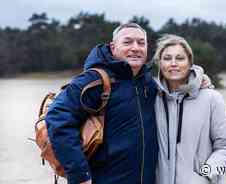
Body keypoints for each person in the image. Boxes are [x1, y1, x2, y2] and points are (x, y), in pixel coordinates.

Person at [45, 23, 158, 184]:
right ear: (113, 47)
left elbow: (177, 89)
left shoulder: (149, 83)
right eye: (127, 42)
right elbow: (58, 117)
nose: (135, 48)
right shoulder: (94, 80)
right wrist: (79, 175)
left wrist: (200, 80)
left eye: (141, 43)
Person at [153, 34, 226, 184]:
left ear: (190, 63)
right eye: (167, 58)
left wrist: (205, 176)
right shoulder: (151, 99)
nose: (173, 63)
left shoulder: (212, 98)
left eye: (180, 58)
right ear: (160, 64)